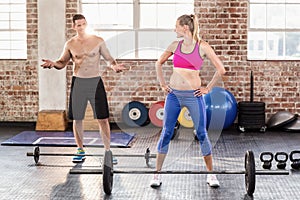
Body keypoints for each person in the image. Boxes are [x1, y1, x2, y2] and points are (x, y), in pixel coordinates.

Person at [150, 14, 226, 188]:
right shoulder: (174, 45)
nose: (174, 29)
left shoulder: (202, 46)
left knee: (201, 133)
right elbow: (158, 63)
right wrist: (163, 84)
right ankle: (156, 175)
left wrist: (207, 88)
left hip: (194, 96)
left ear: (185, 28)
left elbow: (221, 69)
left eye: (176, 26)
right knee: (167, 132)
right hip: (174, 96)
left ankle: (211, 175)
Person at [41, 14, 126, 163]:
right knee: (77, 118)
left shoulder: (98, 41)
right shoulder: (70, 44)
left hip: (95, 82)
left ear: (87, 24)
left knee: (103, 118)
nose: (81, 27)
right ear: (74, 26)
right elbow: (62, 62)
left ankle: (108, 151)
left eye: (84, 24)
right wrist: (53, 64)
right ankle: (80, 150)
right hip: (79, 82)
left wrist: (114, 66)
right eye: (78, 25)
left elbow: (109, 59)